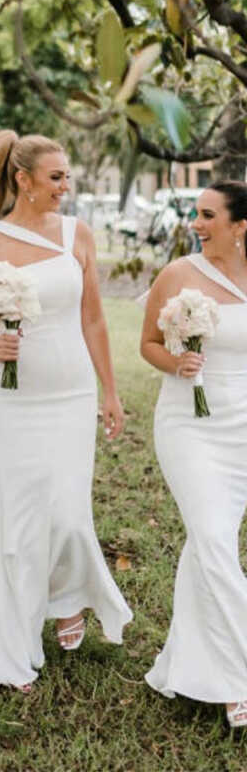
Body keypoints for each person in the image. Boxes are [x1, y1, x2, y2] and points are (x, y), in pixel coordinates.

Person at [0, 131, 131, 690]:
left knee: (69, 514)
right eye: (55, 177)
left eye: (67, 177)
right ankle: (11, 636)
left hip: (71, 392)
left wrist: (109, 390)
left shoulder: (78, 234)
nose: (65, 186)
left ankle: (66, 595)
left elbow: (93, 319)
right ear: (23, 179)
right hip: (8, 399)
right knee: (18, 517)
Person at [140, 181, 247, 727]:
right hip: (188, 423)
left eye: (208, 215)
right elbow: (148, 344)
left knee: (211, 545)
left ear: (240, 226)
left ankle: (191, 666)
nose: (196, 223)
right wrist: (176, 362)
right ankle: (240, 678)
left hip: (241, 428)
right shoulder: (178, 274)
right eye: (195, 214)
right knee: (211, 537)